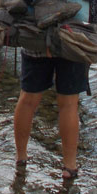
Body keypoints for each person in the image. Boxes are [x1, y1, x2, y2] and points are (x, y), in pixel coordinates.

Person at [13, 53, 90, 181]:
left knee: (28, 99)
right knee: (69, 104)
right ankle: (69, 166)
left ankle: (21, 157)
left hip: (37, 46)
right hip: (73, 46)